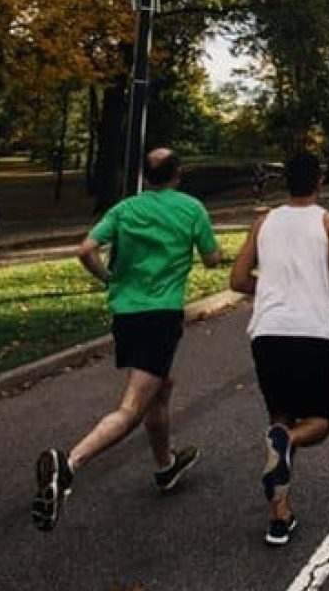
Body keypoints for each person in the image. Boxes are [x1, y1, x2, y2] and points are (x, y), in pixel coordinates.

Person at [31, 148, 222, 532]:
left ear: (145, 176)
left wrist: (108, 278)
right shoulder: (191, 208)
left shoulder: (125, 209)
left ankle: (165, 467)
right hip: (160, 315)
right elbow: (213, 260)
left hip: (126, 314)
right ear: (178, 173)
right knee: (132, 407)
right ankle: (69, 466)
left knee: (162, 387)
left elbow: (85, 249)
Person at [229, 151, 329, 546]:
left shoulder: (263, 221)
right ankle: (290, 445)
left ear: (286, 183)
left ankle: (279, 517)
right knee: (319, 422)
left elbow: (236, 280)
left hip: (267, 334)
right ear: (319, 183)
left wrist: (268, 290)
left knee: (280, 419)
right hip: (312, 333)